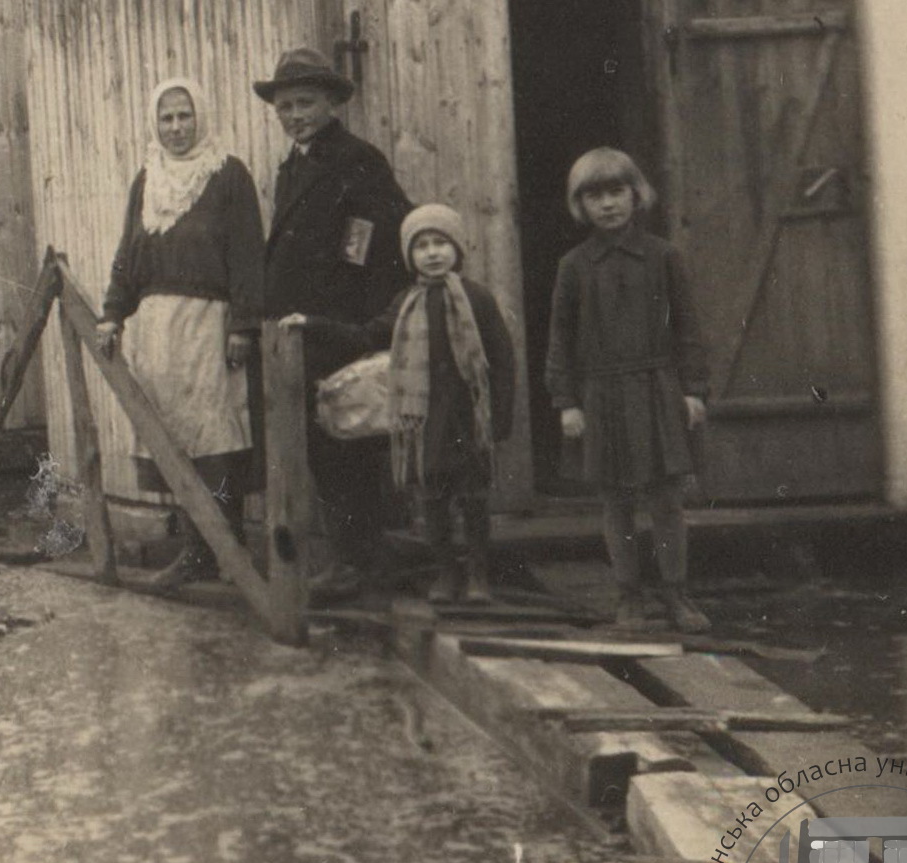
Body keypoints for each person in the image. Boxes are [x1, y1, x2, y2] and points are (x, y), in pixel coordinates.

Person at [284, 204, 516, 604]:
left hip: (466, 417)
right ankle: (445, 573)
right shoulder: (408, 303)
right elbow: (366, 335)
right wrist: (313, 324)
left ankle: (478, 575)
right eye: (422, 246)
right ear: (411, 256)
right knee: (433, 499)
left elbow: (502, 357)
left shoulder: (477, 299)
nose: (432, 253)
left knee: (474, 500)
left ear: (457, 249)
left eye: (440, 243)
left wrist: (501, 417)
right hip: (425, 421)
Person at [92, 77, 264, 579]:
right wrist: (112, 313)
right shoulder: (147, 180)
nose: (176, 128)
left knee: (215, 436)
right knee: (171, 434)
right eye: (166, 118)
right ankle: (195, 549)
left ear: (201, 117)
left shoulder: (227, 175)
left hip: (208, 324)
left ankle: (227, 546)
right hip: (156, 330)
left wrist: (243, 325)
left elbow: (248, 254)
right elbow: (128, 255)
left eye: (184, 116)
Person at [257, 45, 413, 599]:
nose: (294, 115)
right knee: (321, 443)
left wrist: (348, 317)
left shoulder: (356, 160)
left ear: (330, 103)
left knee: (343, 441)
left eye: (304, 103)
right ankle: (352, 557)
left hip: (337, 324)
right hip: (299, 329)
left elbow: (367, 237)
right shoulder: (293, 165)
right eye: (284, 106)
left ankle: (360, 562)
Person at [547, 147, 710, 633]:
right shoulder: (573, 267)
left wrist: (693, 389)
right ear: (581, 205)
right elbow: (560, 337)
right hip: (602, 396)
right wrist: (566, 401)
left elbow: (688, 329)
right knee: (615, 501)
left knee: (665, 500)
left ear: (635, 195)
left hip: (658, 389)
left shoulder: (664, 256)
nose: (608, 204)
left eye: (617, 191)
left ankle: (677, 595)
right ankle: (629, 597)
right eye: (594, 195)